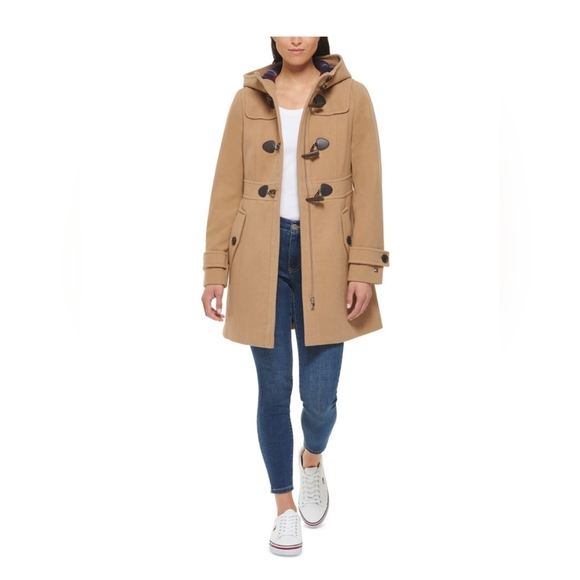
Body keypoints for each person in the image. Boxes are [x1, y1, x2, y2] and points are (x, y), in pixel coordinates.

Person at [202, 37, 388, 556]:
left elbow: (370, 186)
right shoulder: (246, 99)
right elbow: (226, 186)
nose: (296, 36)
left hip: (329, 255)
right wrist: (215, 267)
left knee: (320, 398)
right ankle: (283, 507)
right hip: (259, 254)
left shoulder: (355, 95)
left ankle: (312, 458)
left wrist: (364, 266)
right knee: (273, 391)